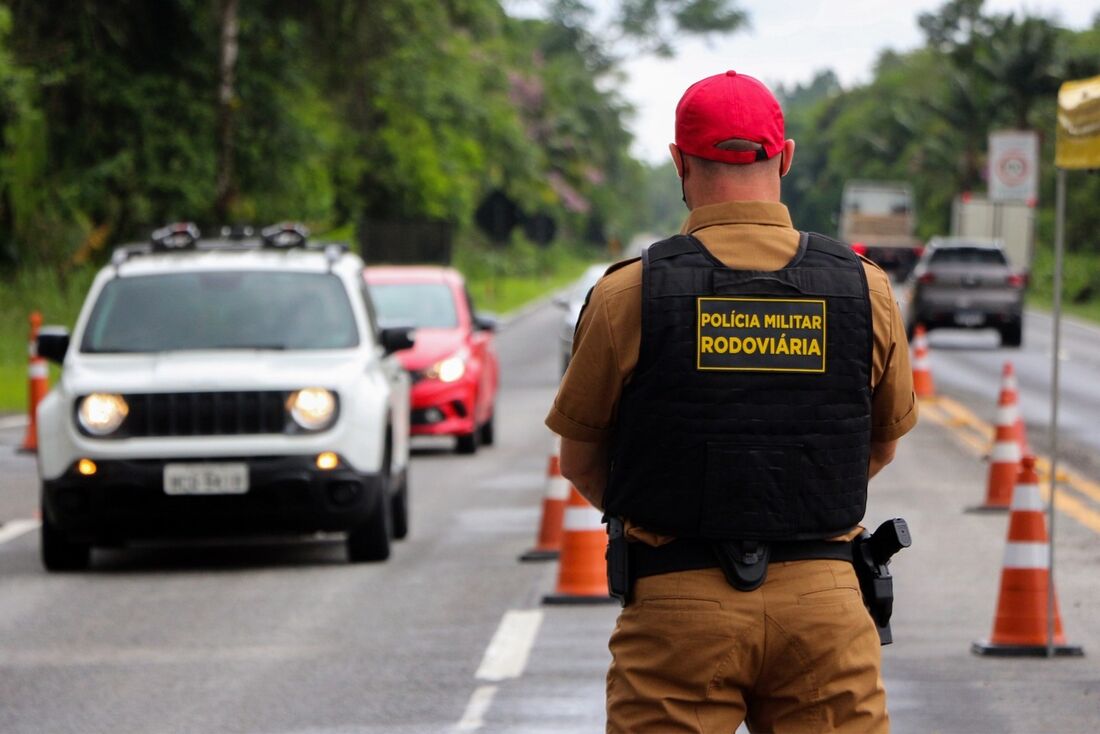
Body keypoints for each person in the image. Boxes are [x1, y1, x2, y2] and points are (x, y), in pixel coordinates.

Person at [544, 70, 917, 733]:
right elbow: (881, 444)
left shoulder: (629, 294)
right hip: (826, 607)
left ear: (679, 161)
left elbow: (580, 460)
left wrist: (680, 503)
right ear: (786, 157)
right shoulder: (866, 290)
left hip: (676, 607)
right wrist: (792, 497)